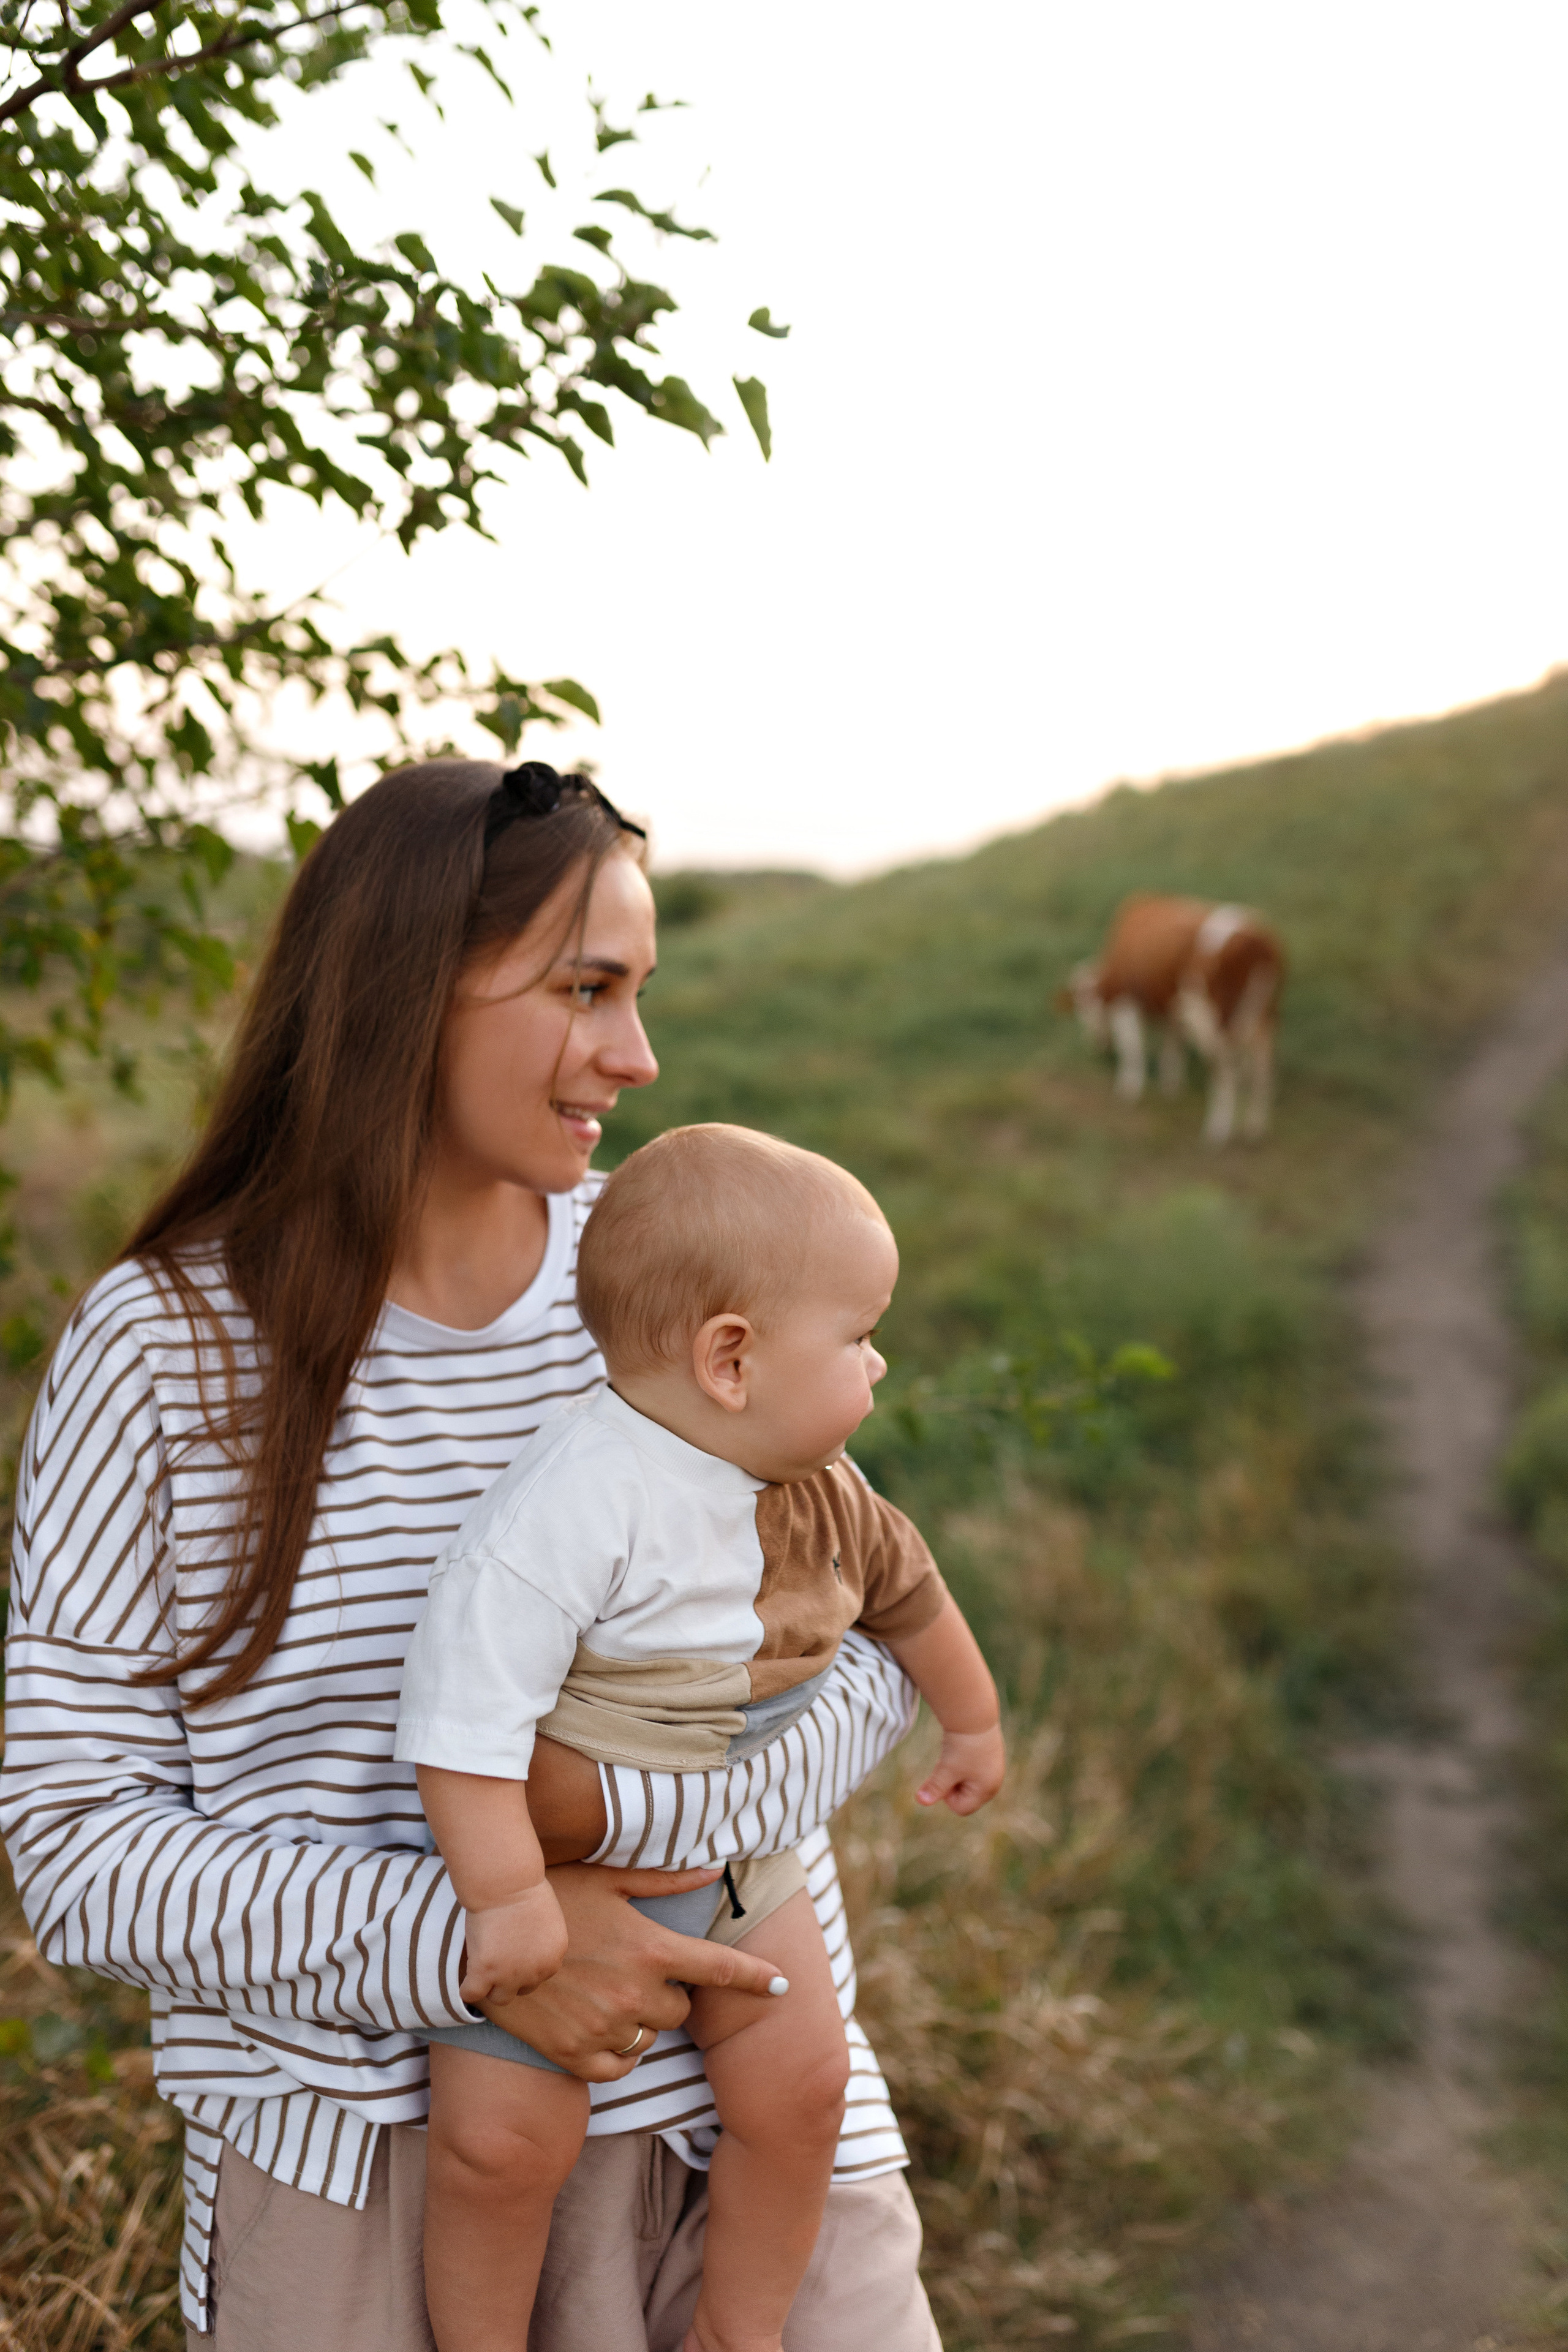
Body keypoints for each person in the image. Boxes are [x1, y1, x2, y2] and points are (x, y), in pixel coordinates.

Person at [0, 760, 944, 2351]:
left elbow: (859, 1658)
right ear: (408, 983)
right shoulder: (163, 1349)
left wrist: (627, 1839)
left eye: (640, 993)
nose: (636, 1057)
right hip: (358, 2176)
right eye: (586, 989)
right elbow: (75, 1848)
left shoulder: (654, 1289)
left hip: (749, 2134)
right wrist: (482, 1945)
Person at [398, 1126, 1006, 2352]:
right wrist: (508, 1895)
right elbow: (461, 1721)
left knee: (805, 2089)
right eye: (857, 1337)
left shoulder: (824, 1489)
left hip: (740, 1877)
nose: (878, 1365)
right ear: (729, 1360)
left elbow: (910, 1597)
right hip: (561, 1888)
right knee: (497, 2148)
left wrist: (972, 1716)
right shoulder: (570, 1507)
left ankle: (739, 2328)